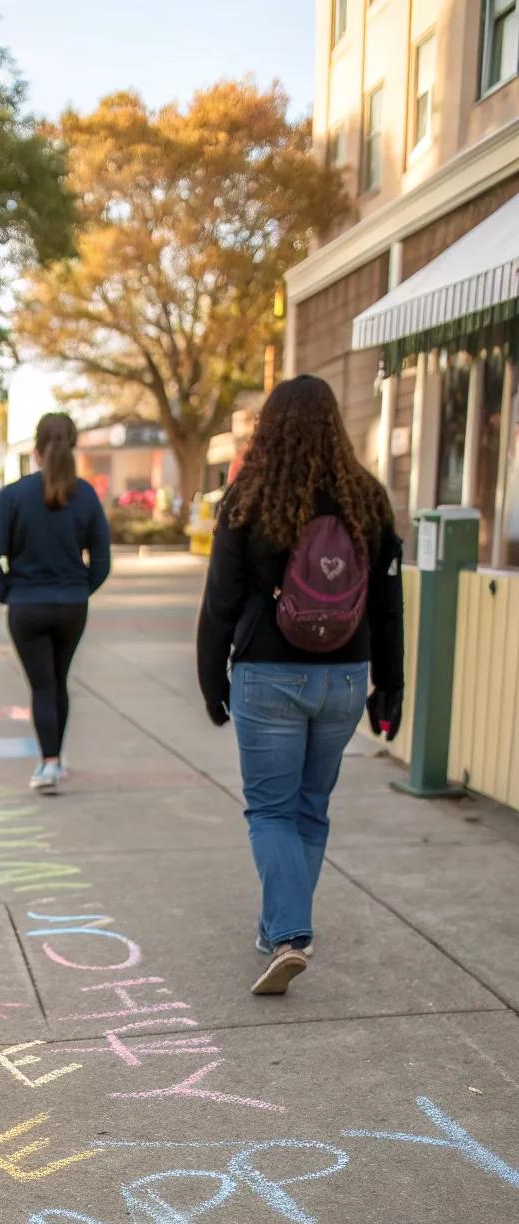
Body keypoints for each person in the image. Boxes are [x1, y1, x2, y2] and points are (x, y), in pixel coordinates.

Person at [196, 375, 404, 997]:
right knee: (311, 808)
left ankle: (289, 934)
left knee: (269, 811)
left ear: (271, 428)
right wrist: (389, 684)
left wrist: (212, 680)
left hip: (267, 672)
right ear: (335, 425)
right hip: (344, 674)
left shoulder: (251, 495)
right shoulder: (365, 497)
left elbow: (220, 602)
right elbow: (388, 604)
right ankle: (281, 930)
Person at [0, 412, 111, 794]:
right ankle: (55, 757)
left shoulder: (13, 496)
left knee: (42, 685)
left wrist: (6, 593)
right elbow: (102, 561)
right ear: (72, 447)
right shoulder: (86, 495)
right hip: (71, 605)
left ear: (36, 451)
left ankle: (49, 763)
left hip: (27, 605)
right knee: (58, 681)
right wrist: (79, 590)